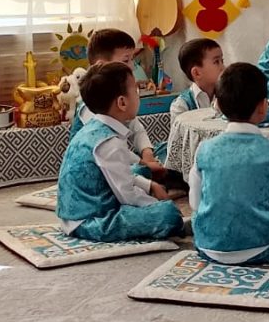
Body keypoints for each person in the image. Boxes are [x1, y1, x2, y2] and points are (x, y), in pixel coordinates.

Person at [188, 63, 269, 264]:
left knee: (197, 218)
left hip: (207, 247)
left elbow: (195, 204)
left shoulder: (203, 149)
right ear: (264, 107)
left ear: (217, 105)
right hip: (262, 248)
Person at [55, 62, 185, 242]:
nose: (138, 96)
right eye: (136, 92)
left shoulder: (96, 127)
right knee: (168, 214)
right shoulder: (110, 143)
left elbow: (123, 173)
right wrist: (156, 205)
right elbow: (128, 195)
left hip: (85, 207)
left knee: (141, 170)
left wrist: (150, 185)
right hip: (91, 219)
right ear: (122, 102)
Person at [68, 27, 167, 179]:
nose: (132, 66)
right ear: (101, 65)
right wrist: (144, 164)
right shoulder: (90, 104)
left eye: (132, 59)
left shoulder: (120, 93)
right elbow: (108, 148)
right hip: (97, 165)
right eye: (126, 60)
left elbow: (136, 127)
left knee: (168, 148)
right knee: (141, 172)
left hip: (118, 155)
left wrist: (147, 154)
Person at [170, 38, 224, 118]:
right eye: (216, 62)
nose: (223, 67)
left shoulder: (228, 97)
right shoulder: (181, 106)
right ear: (196, 73)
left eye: (222, 61)